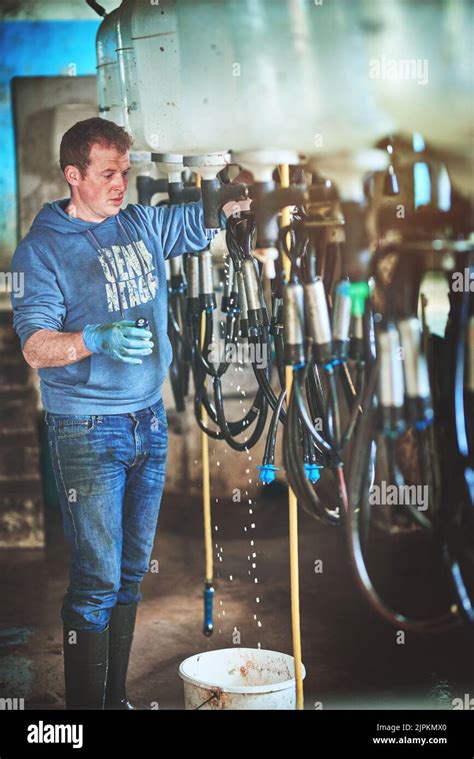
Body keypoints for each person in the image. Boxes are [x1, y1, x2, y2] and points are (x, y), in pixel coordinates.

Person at [9, 117, 220, 710]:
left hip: (148, 420)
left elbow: (199, 220)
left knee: (130, 574)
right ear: (73, 176)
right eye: (108, 173)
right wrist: (91, 339)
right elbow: (34, 345)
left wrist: (228, 191)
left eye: (125, 171)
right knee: (97, 581)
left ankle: (115, 700)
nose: (121, 183)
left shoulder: (136, 221)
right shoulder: (41, 250)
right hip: (88, 431)